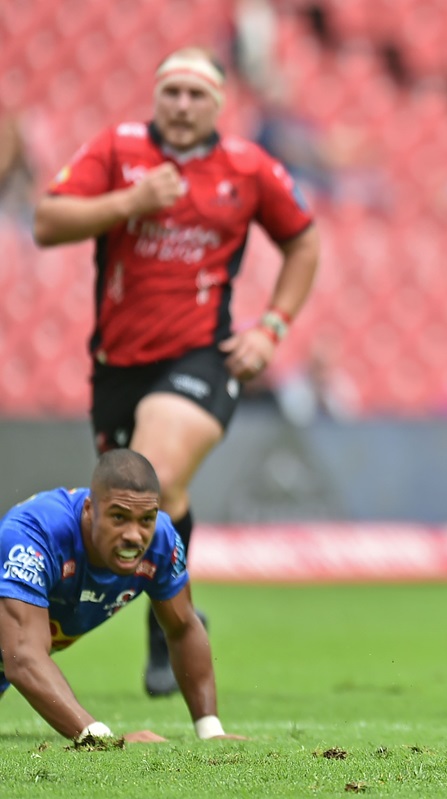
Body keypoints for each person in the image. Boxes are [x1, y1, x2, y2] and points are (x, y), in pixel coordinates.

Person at [32, 47, 319, 698]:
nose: (183, 106)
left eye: (197, 94)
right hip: (116, 365)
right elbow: (48, 221)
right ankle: (175, 620)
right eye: (173, 93)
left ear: (219, 104)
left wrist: (271, 326)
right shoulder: (119, 150)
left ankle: (59, 635)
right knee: (164, 498)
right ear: (156, 97)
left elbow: (304, 238)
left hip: (201, 358)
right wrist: (129, 200)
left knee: (144, 478)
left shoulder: (248, 166)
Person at [0, 449, 244, 744]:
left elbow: (183, 628)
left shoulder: (162, 541)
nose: (134, 535)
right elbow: (22, 656)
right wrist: (98, 737)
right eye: (119, 517)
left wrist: (210, 730)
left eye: (146, 520)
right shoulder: (34, 536)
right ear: (89, 510)